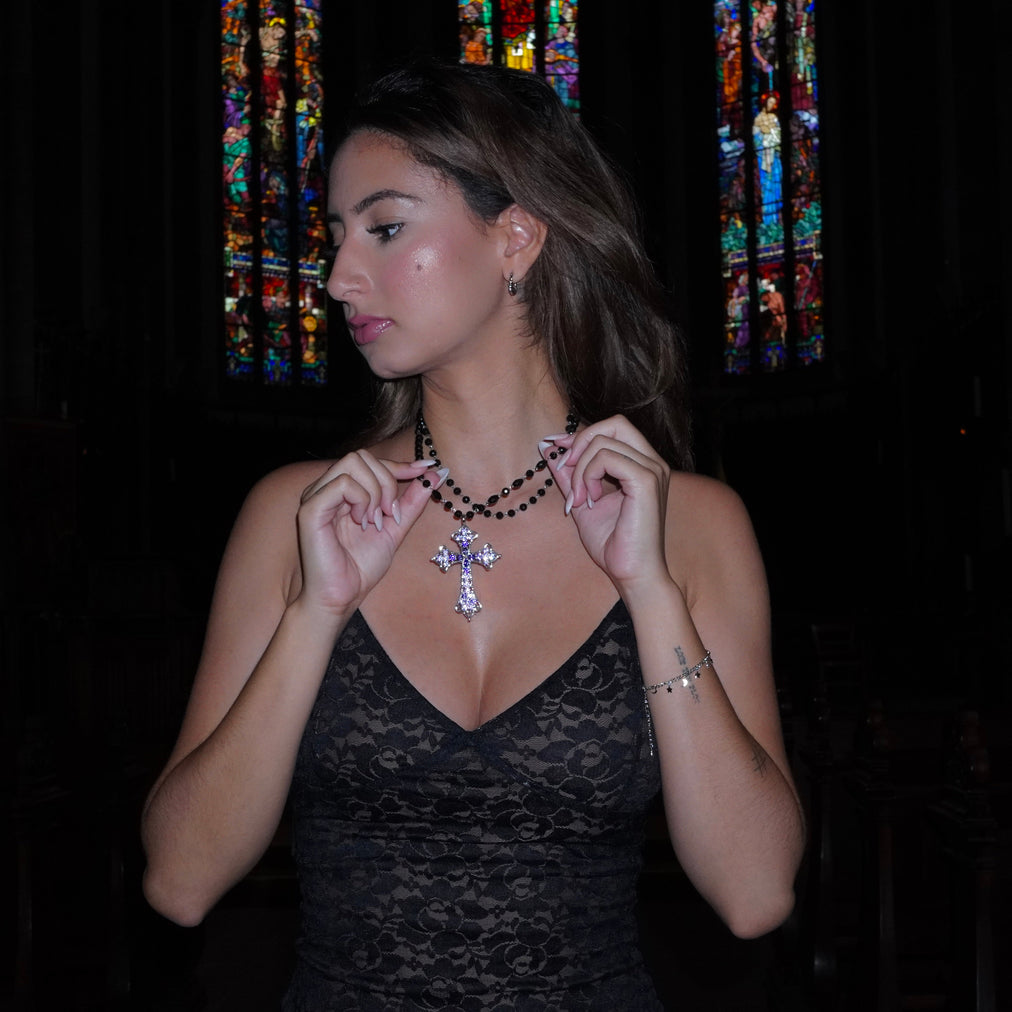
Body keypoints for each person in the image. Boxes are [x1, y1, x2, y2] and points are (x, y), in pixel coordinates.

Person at [141, 60, 805, 1010]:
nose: (336, 278)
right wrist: (315, 612)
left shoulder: (694, 525)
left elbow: (755, 894)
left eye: (384, 227)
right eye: (335, 237)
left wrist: (650, 591)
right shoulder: (298, 514)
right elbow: (180, 881)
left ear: (516, 238)